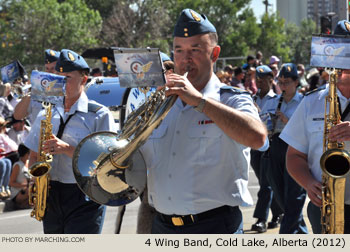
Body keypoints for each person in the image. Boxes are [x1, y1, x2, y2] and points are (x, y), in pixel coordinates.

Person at [139, 8, 267, 234]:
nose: (185, 59)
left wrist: (199, 101)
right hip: (161, 225)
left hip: (214, 227)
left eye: (195, 49)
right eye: (179, 50)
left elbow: (258, 138)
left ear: (214, 54)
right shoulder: (159, 104)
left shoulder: (231, 99)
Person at [24, 49, 117, 234]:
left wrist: (68, 149)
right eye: (58, 77)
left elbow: (109, 161)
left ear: (83, 79)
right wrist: (35, 180)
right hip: (52, 194)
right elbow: (33, 154)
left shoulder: (99, 114)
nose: (61, 83)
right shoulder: (46, 112)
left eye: (67, 77)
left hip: (84, 194)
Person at [280, 20, 350, 233]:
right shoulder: (311, 102)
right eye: (341, 53)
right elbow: (294, 156)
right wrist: (308, 183)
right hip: (325, 208)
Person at [263, 63, 307, 234]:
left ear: (296, 82)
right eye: (280, 82)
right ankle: (301, 233)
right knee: (280, 194)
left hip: (295, 147)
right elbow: (263, 125)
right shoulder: (274, 101)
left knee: (294, 195)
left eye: (287, 82)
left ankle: (285, 236)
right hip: (276, 145)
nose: (283, 86)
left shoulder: (304, 101)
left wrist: (287, 120)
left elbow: (306, 129)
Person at [250, 65, 283, 233]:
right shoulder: (250, 99)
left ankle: (261, 219)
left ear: (272, 80)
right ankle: (278, 212)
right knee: (266, 181)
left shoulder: (277, 99)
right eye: (258, 79)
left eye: (264, 79)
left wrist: (259, 112)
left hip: (270, 145)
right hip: (255, 146)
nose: (260, 82)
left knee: (265, 184)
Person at [13, 49, 60, 125]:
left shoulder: (67, 89)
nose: (49, 72)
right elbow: (17, 116)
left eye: (53, 69)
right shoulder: (39, 90)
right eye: (47, 68)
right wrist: (29, 94)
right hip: (37, 135)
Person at [9, 143, 31, 209]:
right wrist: (25, 185)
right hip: (18, 193)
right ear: (26, 153)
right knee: (31, 190)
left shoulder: (29, 162)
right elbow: (11, 183)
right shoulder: (17, 165)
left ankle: (26, 203)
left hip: (26, 189)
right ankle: (23, 203)